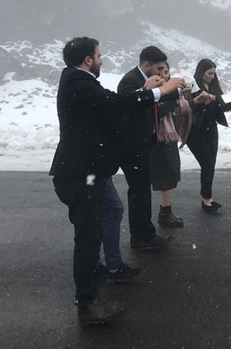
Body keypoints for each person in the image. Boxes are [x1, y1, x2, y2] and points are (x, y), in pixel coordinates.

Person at [50, 37, 184, 326]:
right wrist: (159, 92)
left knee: (112, 211)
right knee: (88, 236)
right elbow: (115, 103)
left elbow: (113, 108)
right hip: (79, 173)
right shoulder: (77, 81)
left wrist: (147, 92)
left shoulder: (82, 81)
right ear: (88, 60)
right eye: (98, 55)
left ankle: (110, 267)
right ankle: (87, 303)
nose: (102, 60)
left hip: (93, 170)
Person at [117, 46, 182, 251]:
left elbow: (160, 100)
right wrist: (150, 90)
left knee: (143, 190)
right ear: (146, 66)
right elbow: (129, 106)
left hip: (145, 142)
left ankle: (145, 234)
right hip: (132, 145)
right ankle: (141, 237)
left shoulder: (151, 80)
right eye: (159, 68)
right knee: (139, 192)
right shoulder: (130, 81)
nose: (162, 72)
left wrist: (175, 90)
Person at [186, 58, 231, 212]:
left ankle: (207, 199)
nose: (212, 76)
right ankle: (206, 199)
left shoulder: (213, 87)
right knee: (207, 164)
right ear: (201, 73)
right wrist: (202, 103)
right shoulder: (193, 88)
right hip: (195, 131)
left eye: (213, 73)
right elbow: (187, 109)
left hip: (211, 130)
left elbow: (221, 107)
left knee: (210, 165)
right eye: (209, 73)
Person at [149, 62, 192, 227]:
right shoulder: (153, 93)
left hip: (170, 137)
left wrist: (192, 100)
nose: (164, 75)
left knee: (171, 175)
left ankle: (166, 211)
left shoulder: (173, 93)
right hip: (158, 140)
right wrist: (174, 98)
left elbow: (182, 112)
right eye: (159, 72)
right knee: (165, 177)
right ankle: (164, 214)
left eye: (166, 71)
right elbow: (156, 113)